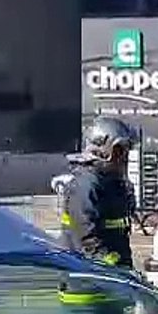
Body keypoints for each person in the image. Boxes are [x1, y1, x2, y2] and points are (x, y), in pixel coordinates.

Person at [60, 116, 137, 270]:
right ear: (101, 150)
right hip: (87, 282)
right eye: (119, 151)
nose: (124, 157)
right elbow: (86, 239)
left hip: (112, 278)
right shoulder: (85, 185)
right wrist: (111, 267)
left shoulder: (113, 185)